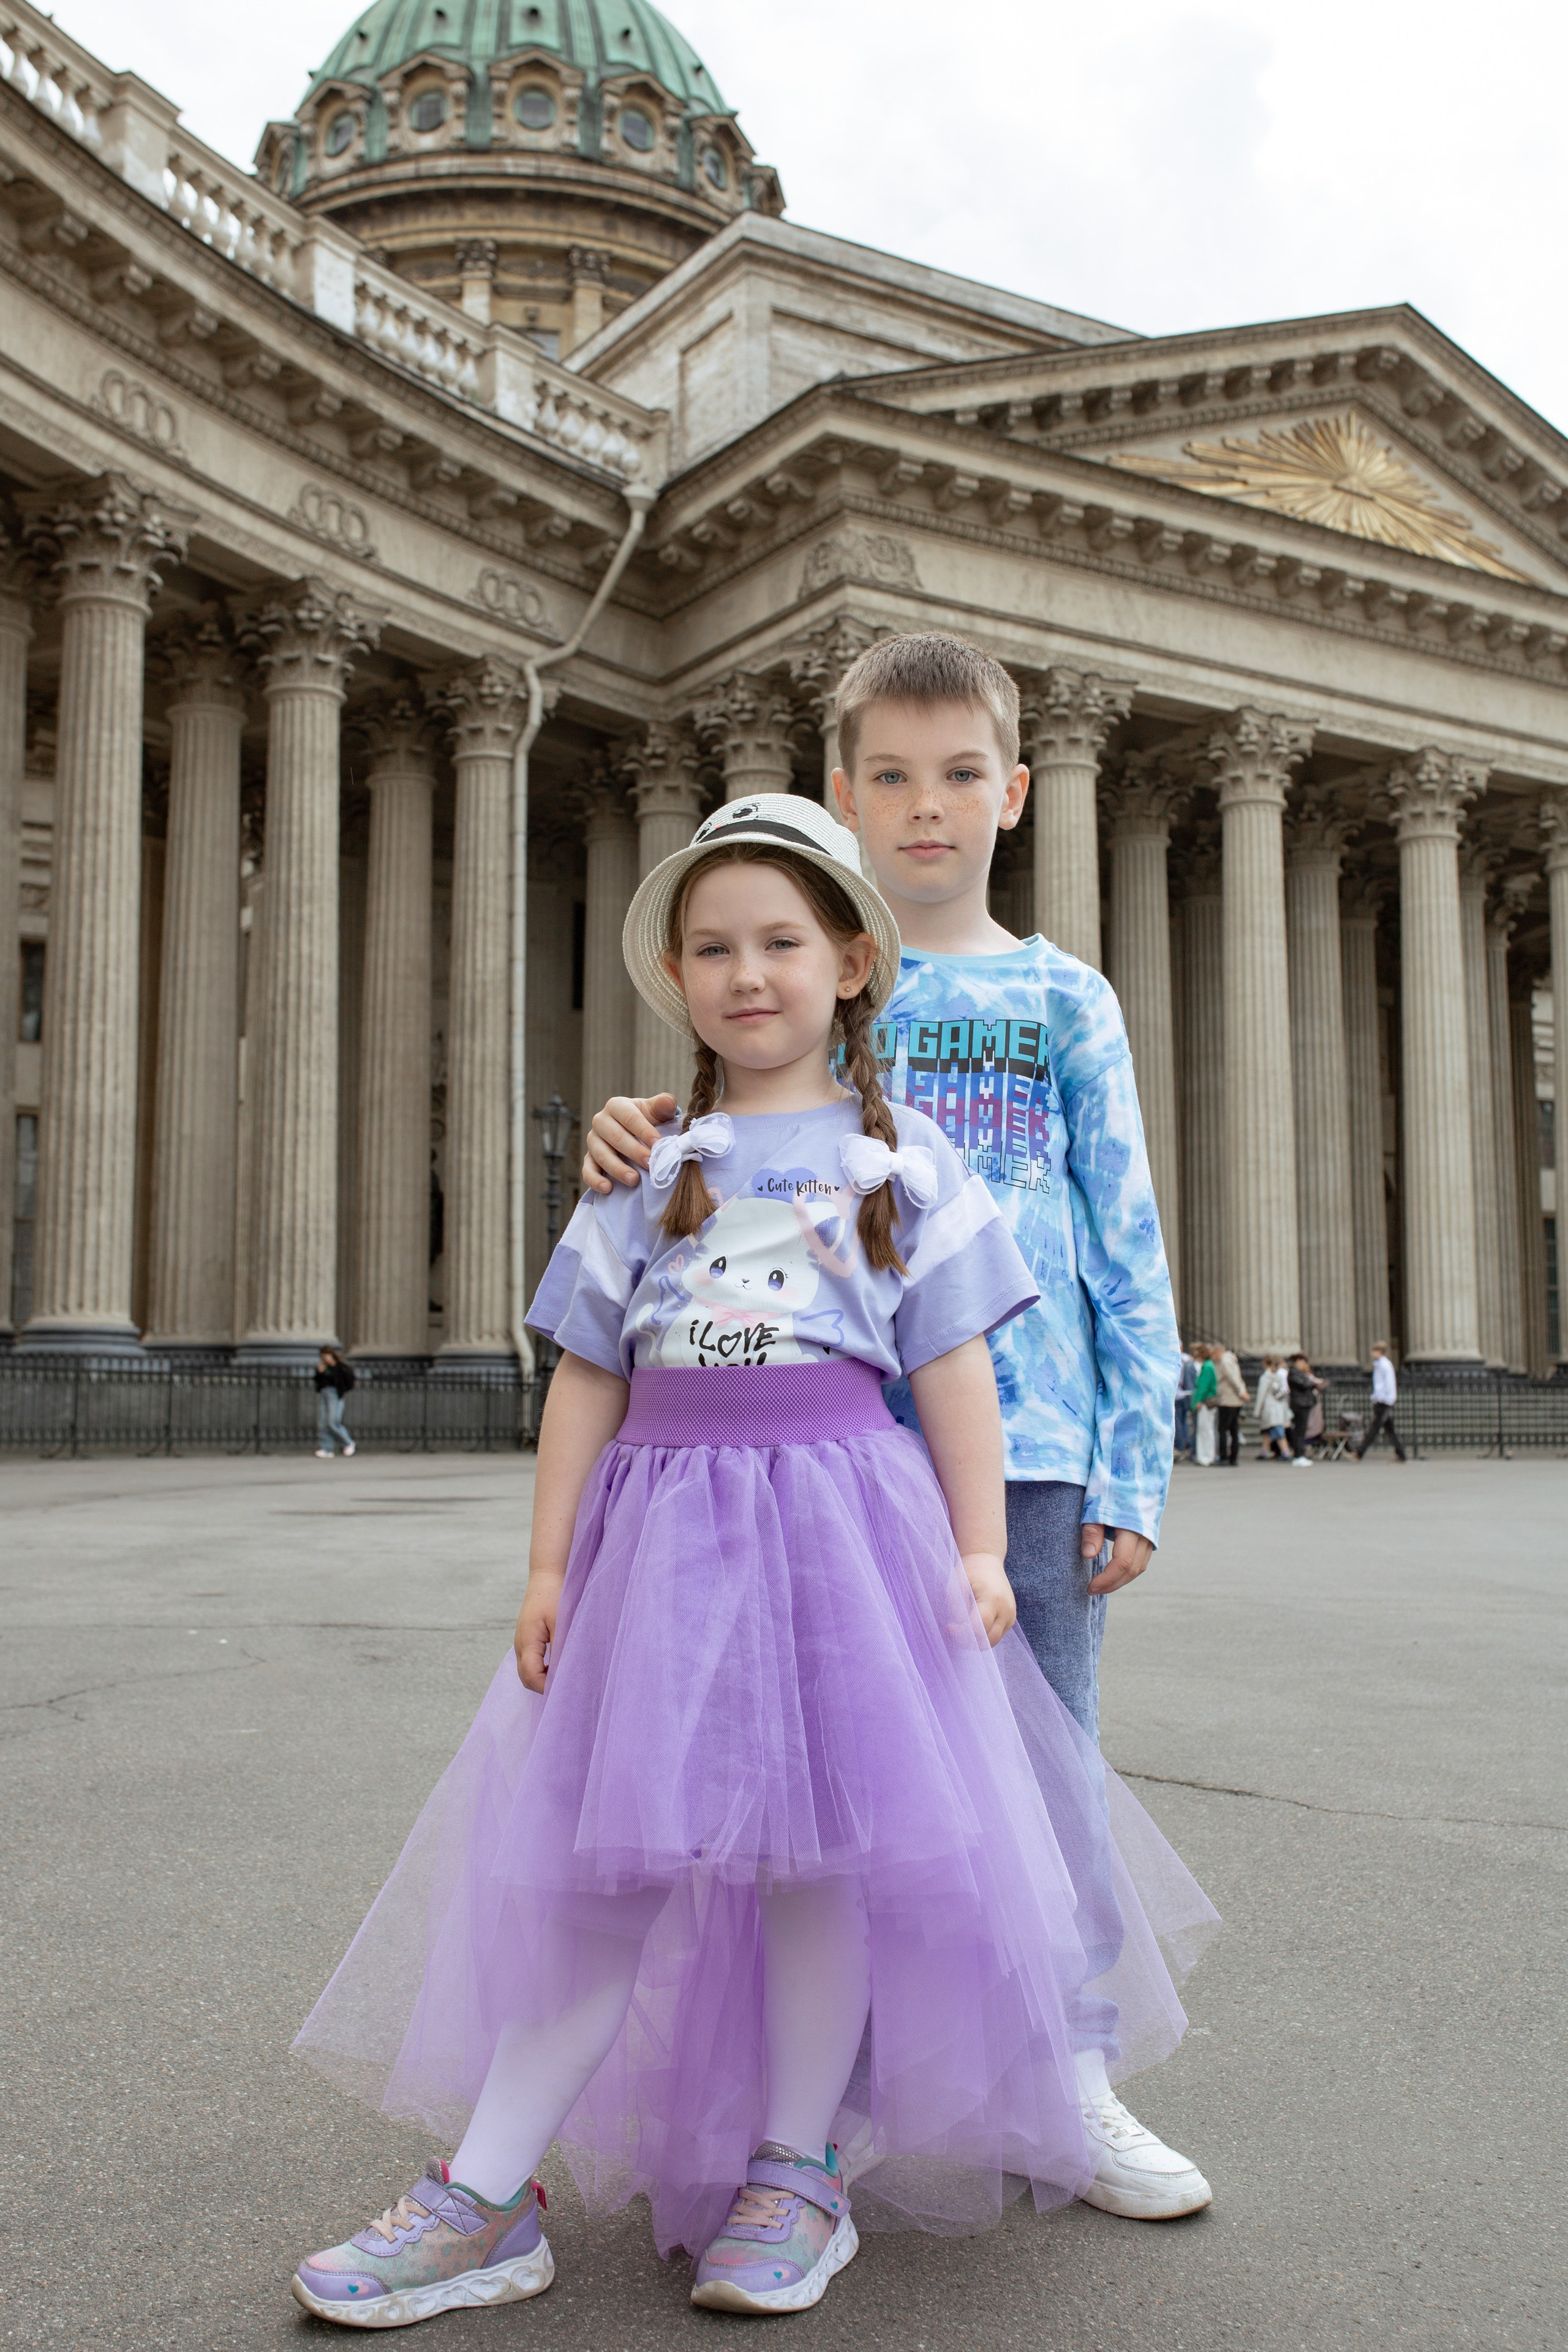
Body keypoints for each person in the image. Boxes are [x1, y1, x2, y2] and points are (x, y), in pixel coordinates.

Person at [289, 800, 1218, 2331]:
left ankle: (796, 2173)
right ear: (674, 972)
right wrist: (544, 1564)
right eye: (712, 946)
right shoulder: (650, 1163)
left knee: (822, 1865)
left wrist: (983, 1547)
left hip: (849, 1534)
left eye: (780, 941)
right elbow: (585, 1371)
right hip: (658, 1544)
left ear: (852, 962)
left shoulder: (899, 1155)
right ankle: (487, 2186)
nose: (746, 972)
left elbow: (959, 1370)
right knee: (603, 1861)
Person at [579, 635, 1205, 2214]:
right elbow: (723, 1112)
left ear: (1012, 789)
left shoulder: (1064, 994)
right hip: (831, 1457)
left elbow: (1122, 1232)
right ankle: (829, 2101)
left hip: (1037, 1442)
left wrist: (1134, 1460)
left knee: (1041, 1765)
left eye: (956, 775)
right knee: (825, 1780)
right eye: (889, 778)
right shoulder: (801, 962)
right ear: (844, 795)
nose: (924, 809)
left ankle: (1069, 2066)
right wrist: (633, 1121)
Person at [1355, 1343, 1407, 1462]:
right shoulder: (1380, 1365)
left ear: (1379, 1351)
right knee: (1390, 1429)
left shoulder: (1385, 1365)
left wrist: (1384, 1398)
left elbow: (1388, 1384)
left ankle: (1360, 1452)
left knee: (1374, 1428)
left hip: (1384, 1401)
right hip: (1381, 1400)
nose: (1371, 1353)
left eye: (1374, 1350)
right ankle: (1401, 1454)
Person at [314, 1347, 356, 1460]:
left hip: (335, 1394)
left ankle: (348, 1443)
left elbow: (348, 1380)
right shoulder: (323, 1367)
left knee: (333, 1422)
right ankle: (327, 1448)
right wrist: (320, 1373)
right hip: (324, 1393)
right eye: (322, 1357)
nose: (324, 1359)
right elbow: (318, 1381)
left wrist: (343, 1391)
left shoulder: (340, 1367)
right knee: (323, 1422)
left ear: (331, 1355)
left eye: (325, 1356)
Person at [1286, 1352, 1324, 1466]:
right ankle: (1299, 1455)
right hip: (1300, 1404)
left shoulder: (1298, 1373)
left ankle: (1300, 1454)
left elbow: (1308, 1382)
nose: (1305, 1365)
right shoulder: (1293, 1372)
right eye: (1304, 1362)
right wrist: (1314, 1382)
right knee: (1300, 1431)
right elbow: (1305, 1384)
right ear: (1298, 1361)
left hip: (1304, 1404)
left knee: (1301, 1431)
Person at [1213, 1341, 1246, 1468]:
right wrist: (1242, 1391)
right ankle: (1234, 1458)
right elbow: (1238, 1377)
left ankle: (1224, 1457)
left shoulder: (1224, 1361)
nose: (1213, 1358)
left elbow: (1232, 1378)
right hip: (1235, 1400)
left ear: (1218, 1352)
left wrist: (1240, 1390)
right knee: (1234, 1430)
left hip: (1228, 1399)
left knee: (1223, 1430)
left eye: (1213, 1354)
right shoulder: (1232, 1359)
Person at [1253, 1356, 1292, 1461]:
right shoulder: (1279, 1377)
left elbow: (1261, 1395)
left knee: (1278, 1432)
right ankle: (1264, 1452)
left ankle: (1286, 1453)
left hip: (1270, 1408)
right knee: (1268, 1432)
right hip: (1279, 1407)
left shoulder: (1266, 1378)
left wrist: (1257, 1411)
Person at [1191, 1344, 1218, 1465]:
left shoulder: (1207, 1367)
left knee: (1204, 1430)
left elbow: (1203, 1386)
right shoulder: (1210, 1365)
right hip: (1208, 1401)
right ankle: (1206, 1456)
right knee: (1206, 1430)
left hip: (1205, 1402)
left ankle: (1205, 1457)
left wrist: (1198, 1401)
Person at [1174, 1343, 1197, 1462]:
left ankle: (1180, 1446)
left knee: (1178, 1422)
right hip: (1184, 1393)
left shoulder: (1174, 1358)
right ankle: (1187, 1442)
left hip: (1178, 1394)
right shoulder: (1187, 1359)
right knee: (1184, 1422)